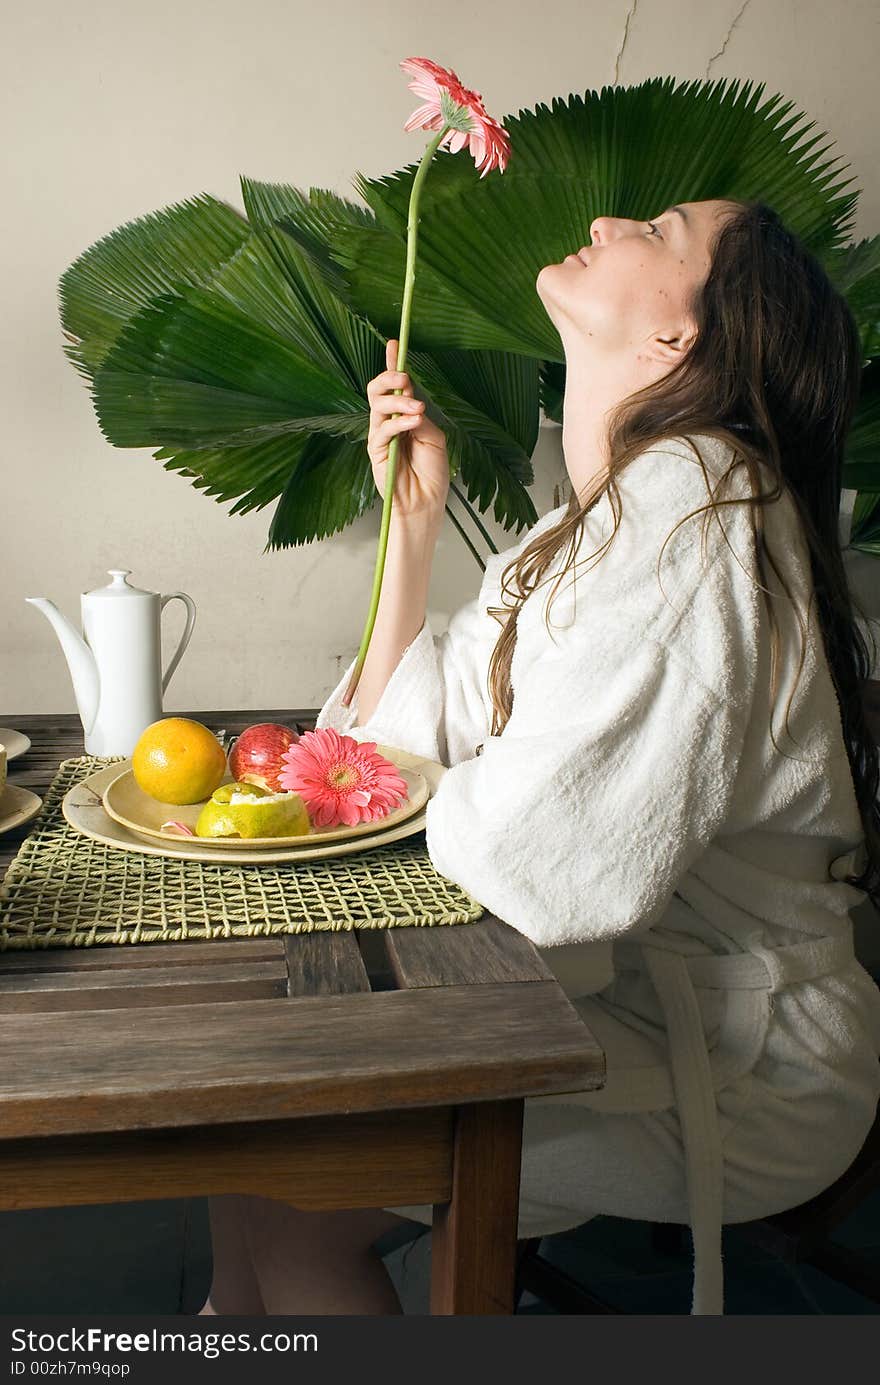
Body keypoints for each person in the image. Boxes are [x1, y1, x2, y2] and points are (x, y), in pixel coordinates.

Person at [199, 198, 880, 1317]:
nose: (609, 217)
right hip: (625, 1010)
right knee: (253, 1125)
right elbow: (379, 759)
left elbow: (550, 866)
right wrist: (410, 533)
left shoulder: (692, 507)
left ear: (677, 339)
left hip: (747, 1065)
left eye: (657, 232)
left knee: (295, 1179)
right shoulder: (598, 521)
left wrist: (423, 790)